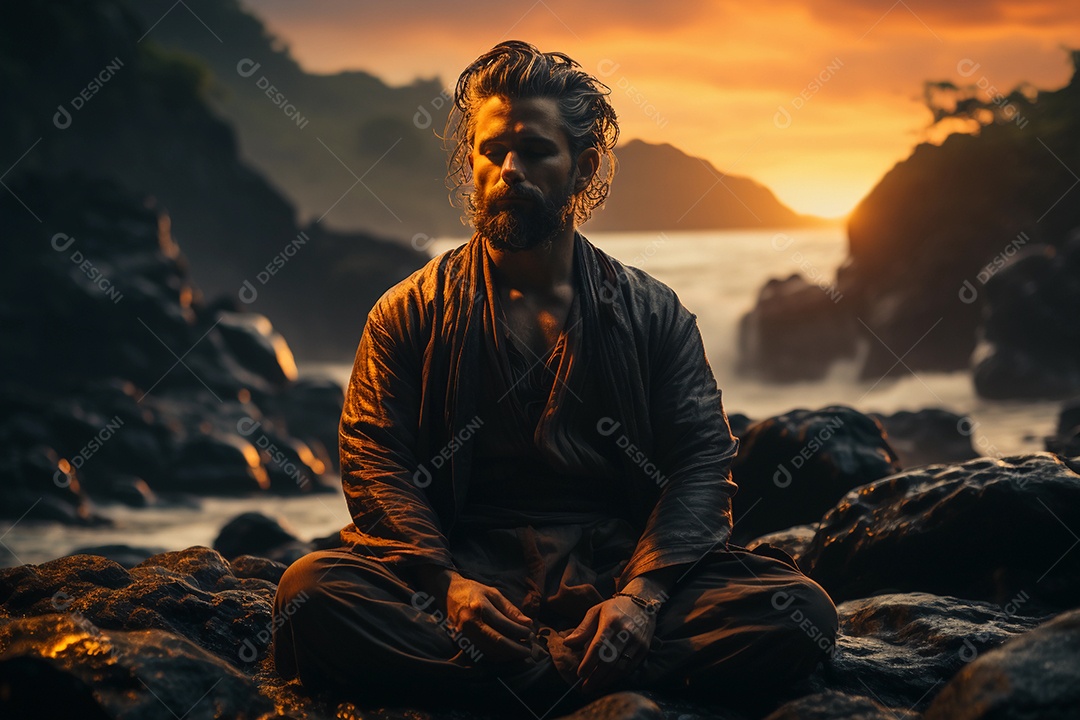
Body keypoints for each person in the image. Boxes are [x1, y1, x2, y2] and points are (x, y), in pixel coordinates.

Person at [273, 40, 837, 714]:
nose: (509, 170)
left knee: (800, 610)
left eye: (536, 152)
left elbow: (700, 464)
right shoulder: (408, 311)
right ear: (471, 162)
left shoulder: (653, 314)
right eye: (491, 152)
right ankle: (585, 678)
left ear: (584, 166)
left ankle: (515, 681)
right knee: (308, 593)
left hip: (615, 567)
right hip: (467, 573)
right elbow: (375, 463)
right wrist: (445, 585)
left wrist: (642, 599)